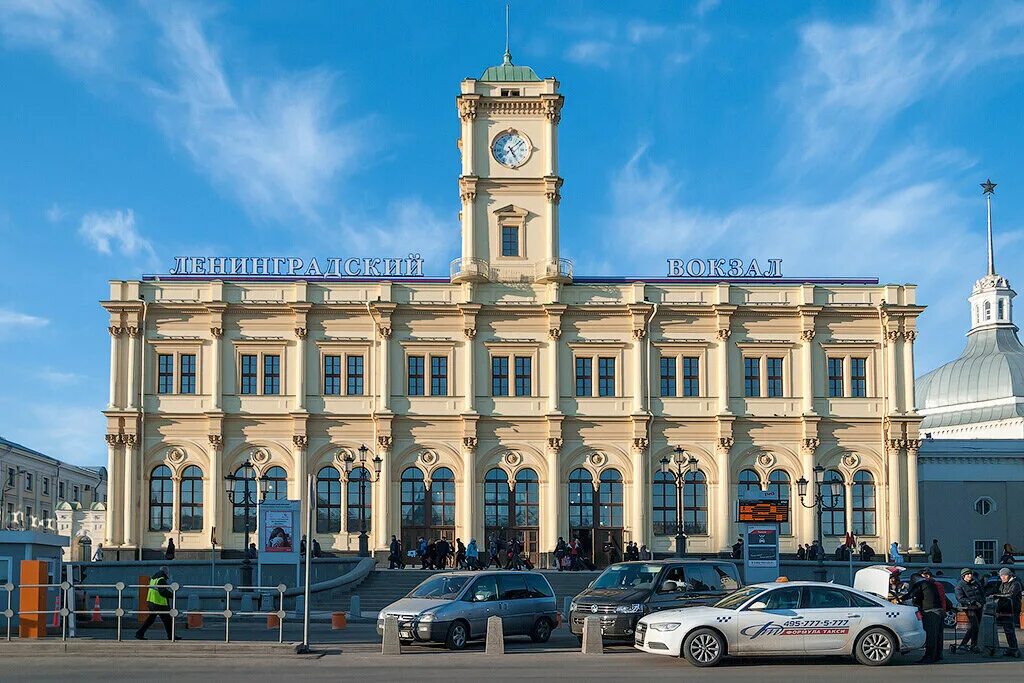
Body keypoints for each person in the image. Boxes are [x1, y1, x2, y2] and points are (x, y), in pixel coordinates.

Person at [906, 568, 944, 663]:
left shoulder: (919, 584)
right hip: (939, 610)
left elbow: (913, 597)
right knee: (937, 635)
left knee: (930, 635)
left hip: (930, 611)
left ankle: (929, 657)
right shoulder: (931, 584)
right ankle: (937, 655)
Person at [135, 566, 176, 641]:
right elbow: (163, 592)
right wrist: (173, 595)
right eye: (167, 572)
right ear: (166, 572)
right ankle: (171, 636)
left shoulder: (153, 579)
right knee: (167, 620)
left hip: (151, 601)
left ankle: (139, 633)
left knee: (151, 619)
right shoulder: (161, 580)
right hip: (159, 603)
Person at [955, 568, 985, 653]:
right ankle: (966, 644)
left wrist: (983, 601)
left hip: (979, 607)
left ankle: (972, 645)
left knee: (976, 627)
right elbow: (960, 598)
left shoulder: (975, 583)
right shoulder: (960, 585)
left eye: (970, 574)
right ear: (963, 576)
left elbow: (982, 593)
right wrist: (972, 602)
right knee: (974, 626)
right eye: (968, 574)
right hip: (969, 608)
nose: (970, 576)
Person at [995, 568, 1021, 657]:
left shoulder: (1015, 584)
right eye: (1001, 576)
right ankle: (1012, 648)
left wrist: (997, 595)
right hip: (1004, 610)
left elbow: (1010, 595)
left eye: (1004, 575)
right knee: (1007, 631)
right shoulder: (1002, 584)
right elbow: (999, 593)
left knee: (1010, 631)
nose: (1002, 577)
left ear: (1009, 575)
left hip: (1012, 610)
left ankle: (1014, 649)